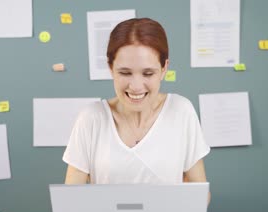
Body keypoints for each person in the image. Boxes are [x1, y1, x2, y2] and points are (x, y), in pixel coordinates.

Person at [63, 18, 211, 200]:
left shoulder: (181, 111)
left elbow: (202, 195)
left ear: (164, 68)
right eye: (125, 73)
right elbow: (70, 199)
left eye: (148, 73)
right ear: (110, 68)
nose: (136, 86)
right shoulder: (91, 118)